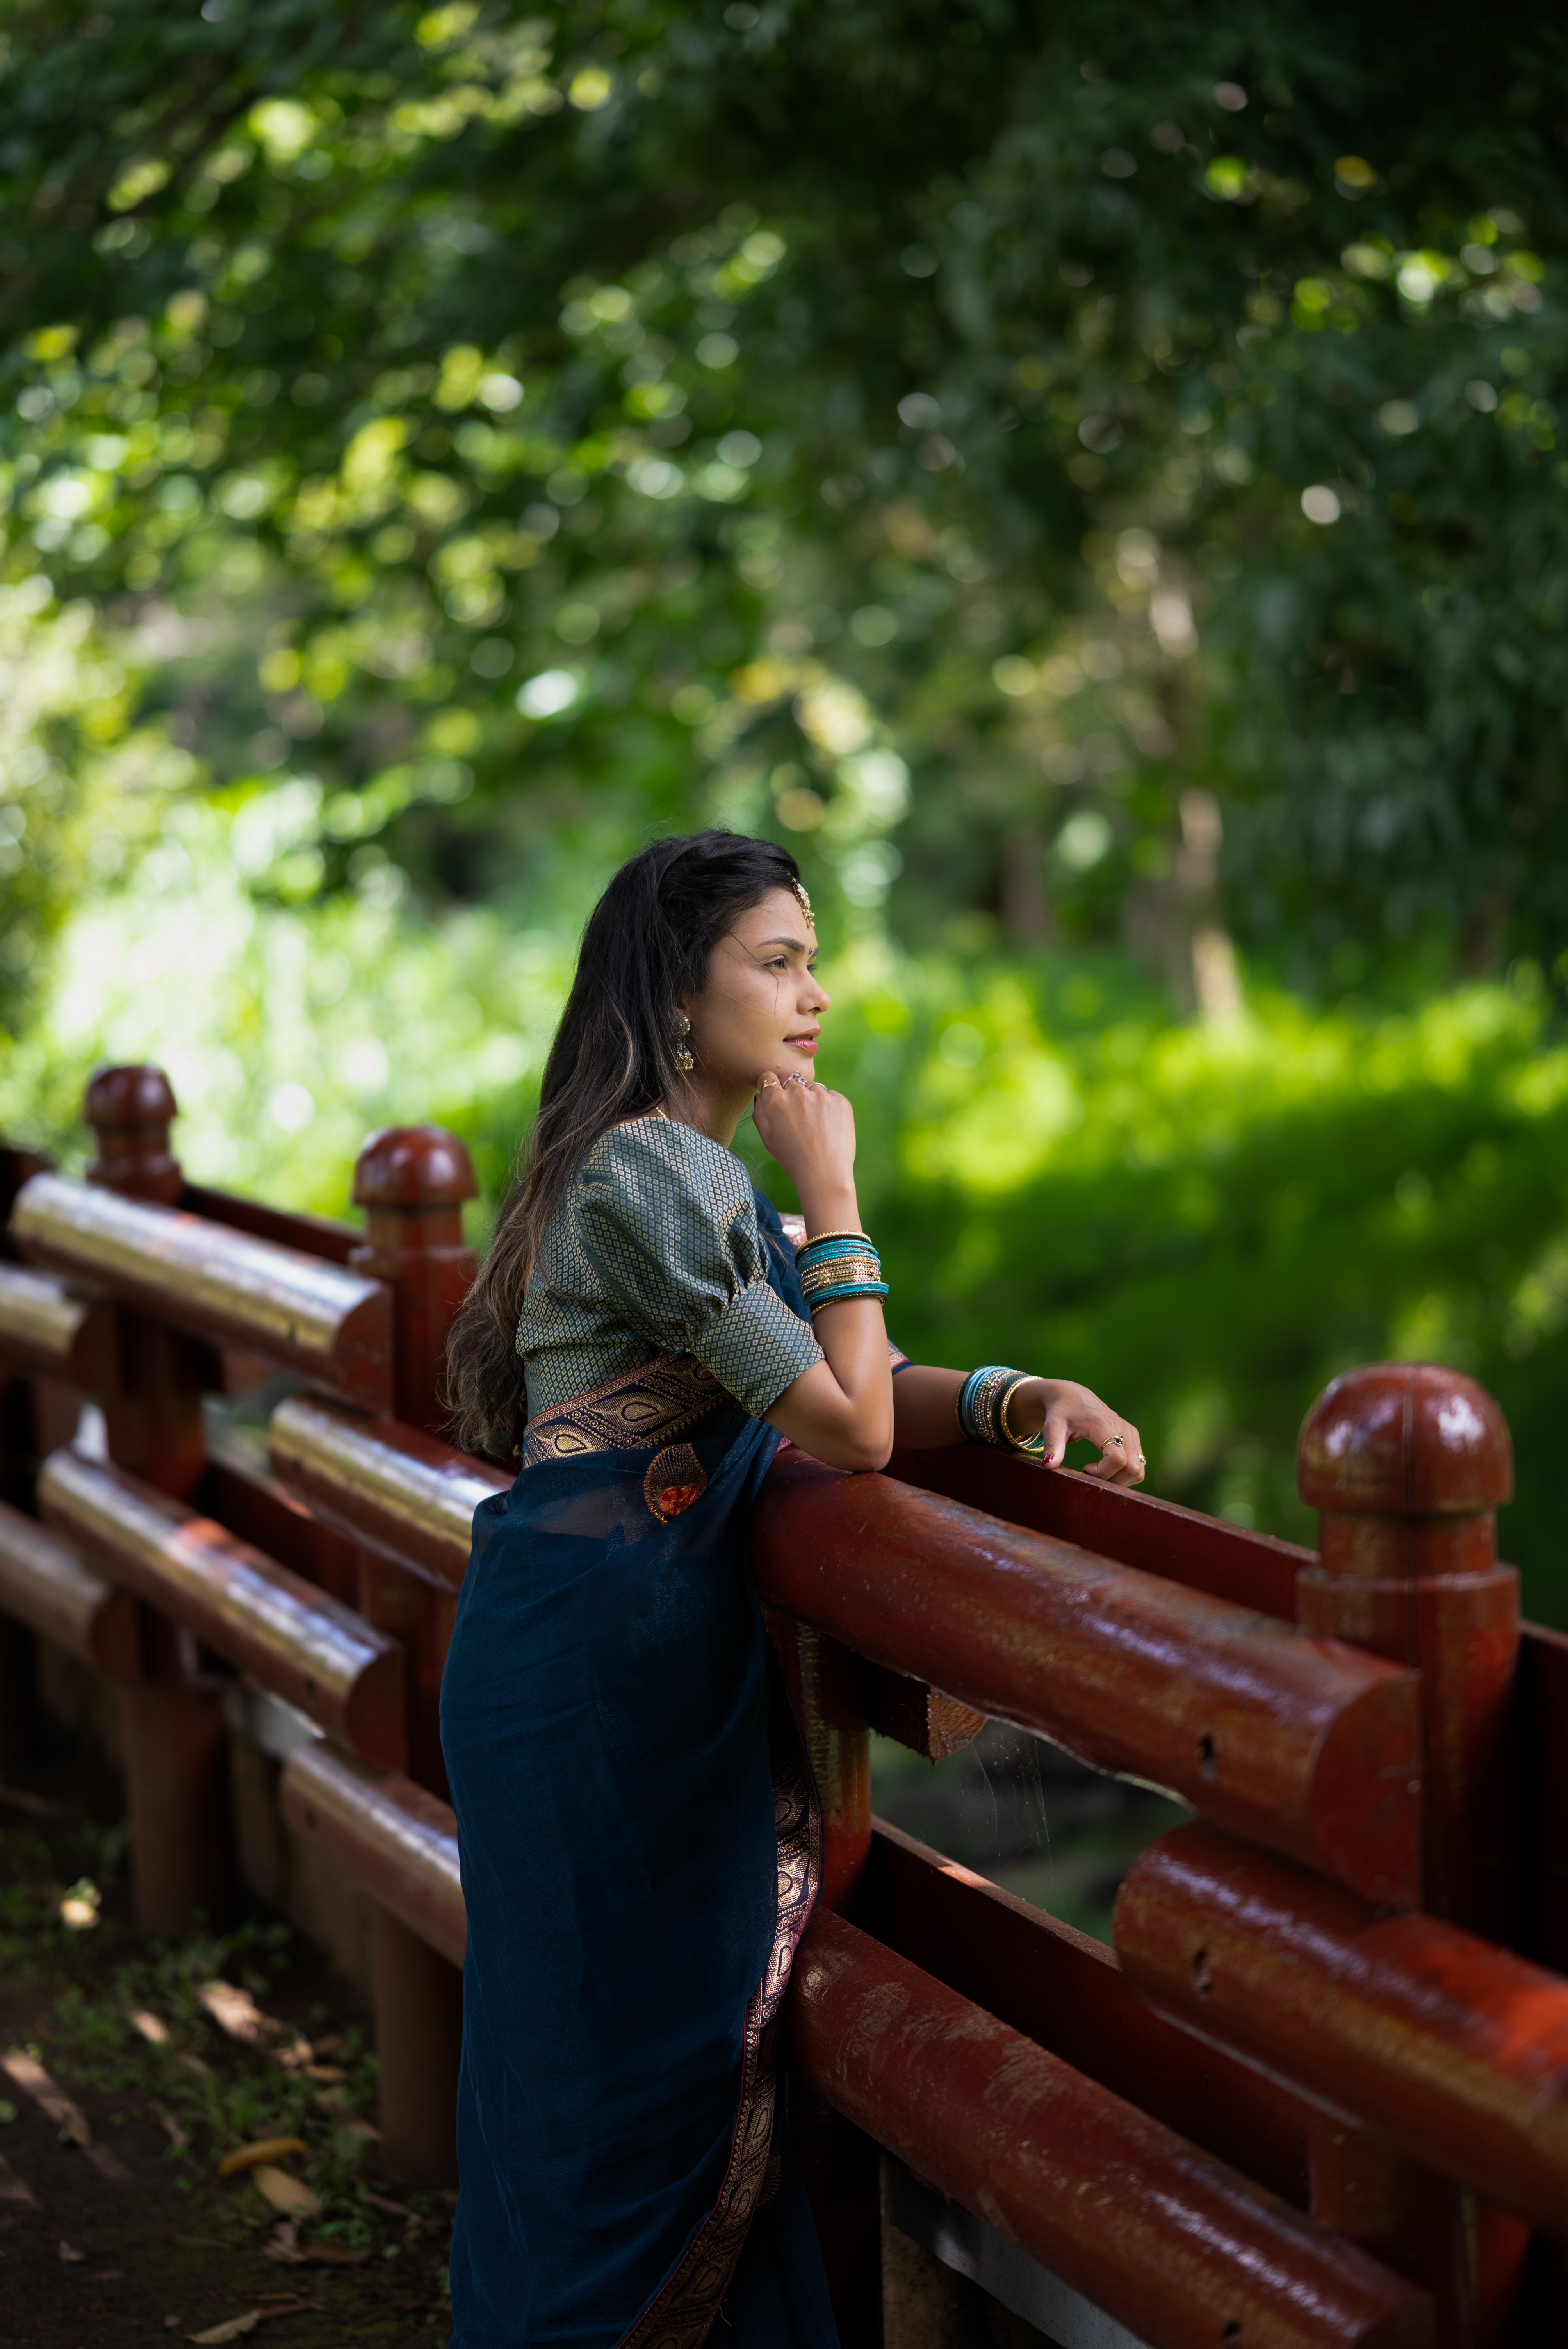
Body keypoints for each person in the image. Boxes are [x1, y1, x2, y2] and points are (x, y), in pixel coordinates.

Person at [440, 831, 1144, 2348]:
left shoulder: (697, 1185)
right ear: (674, 995)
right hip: (589, 1682)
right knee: (602, 2096)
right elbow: (852, 1427)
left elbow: (859, 1376)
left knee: (634, 2084)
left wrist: (1017, 1398)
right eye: (777, 962)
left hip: (619, 1659)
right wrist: (834, 1187)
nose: (815, 995)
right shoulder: (652, 1174)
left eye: (812, 962)